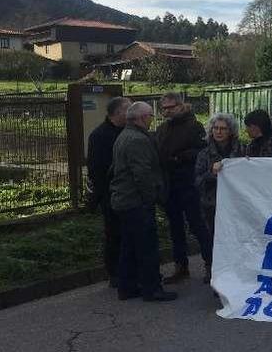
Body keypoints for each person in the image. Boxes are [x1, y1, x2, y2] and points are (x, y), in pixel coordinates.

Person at [110, 102, 176, 302]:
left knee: (129, 247)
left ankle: (127, 286)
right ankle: (151, 288)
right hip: (135, 201)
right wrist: (151, 199)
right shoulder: (137, 140)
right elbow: (142, 174)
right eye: (149, 116)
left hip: (124, 200)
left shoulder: (124, 136)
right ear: (140, 118)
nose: (151, 119)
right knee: (147, 247)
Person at [155, 92, 211, 284]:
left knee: (197, 226)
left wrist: (182, 157)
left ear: (180, 106)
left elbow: (202, 152)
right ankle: (181, 266)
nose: (167, 111)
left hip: (189, 184)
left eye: (171, 107)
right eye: (164, 108)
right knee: (175, 228)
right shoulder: (162, 129)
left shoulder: (193, 126)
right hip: (169, 185)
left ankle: (210, 265)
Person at [86, 96, 132, 288]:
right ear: (118, 113)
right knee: (114, 234)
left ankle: (128, 270)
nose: (131, 112)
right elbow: (97, 169)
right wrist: (107, 193)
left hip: (129, 193)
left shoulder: (128, 132)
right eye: (128, 109)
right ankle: (114, 273)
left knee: (128, 233)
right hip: (111, 194)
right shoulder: (100, 136)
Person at [195, 112, 242, 282]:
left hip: (237, 206)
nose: (219, 132)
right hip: (212, 205)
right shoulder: (204, 154)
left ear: (231, 131)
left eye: (223, 128)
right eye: (215, 128)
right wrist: (211, 173)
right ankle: (215, 274)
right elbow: (197, 181)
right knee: (214, 242)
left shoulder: (242, 150)